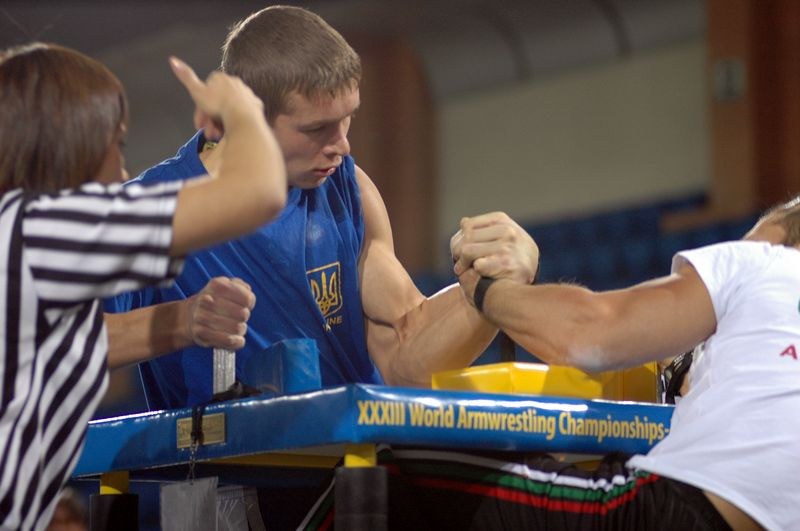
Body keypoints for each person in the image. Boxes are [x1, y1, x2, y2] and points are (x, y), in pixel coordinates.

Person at [104, 5, 539, 410]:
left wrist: (491, 288)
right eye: (318, 128)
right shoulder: (152, 209)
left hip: (356, 468)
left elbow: (409, 355)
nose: (343, 145)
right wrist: (183, 321)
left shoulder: (348, 188)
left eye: (347, 118)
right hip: (231, 482)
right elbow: (62, 346)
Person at [0, 43, 286, 530]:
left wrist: (185, 318)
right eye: (119, 145)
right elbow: (259, 192)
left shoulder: (20, 248)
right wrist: (241, 111)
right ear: (76, 145)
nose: (125, 173)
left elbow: (80, 344)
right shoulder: (39, 230)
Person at [424, 200, 800, 530]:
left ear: (780, 237)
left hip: (685, 511)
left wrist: (487, 290)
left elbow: (589, 334)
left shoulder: (768, 263)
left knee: (413, 470)